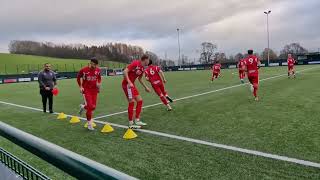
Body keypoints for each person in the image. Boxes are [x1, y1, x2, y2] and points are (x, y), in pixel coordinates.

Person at [122, 55, 151, 129]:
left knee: (140, 101)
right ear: (145, 59)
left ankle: (137, 120)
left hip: (132, 85)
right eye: (148, 60)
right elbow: (125, 71)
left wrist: (146, 87)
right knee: (131, 102)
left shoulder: (142, 68)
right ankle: (130, 123)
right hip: (127, 85)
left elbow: (140, 79)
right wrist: (129, 82)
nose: (148, 61)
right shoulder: (135, 63)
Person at [77, 58, 102, 131]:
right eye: (91, 63)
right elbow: (78, 77)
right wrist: (81, 86)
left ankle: (83, 106)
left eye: (93, 64)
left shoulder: (98, 70)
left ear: (96, 65)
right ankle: (89, 124)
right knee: (90, 106)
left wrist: (98, 84)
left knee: (93, 107)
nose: (91, 65)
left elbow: (99, 78)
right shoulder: (84, 70)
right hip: (86, 90)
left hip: (94, 90)